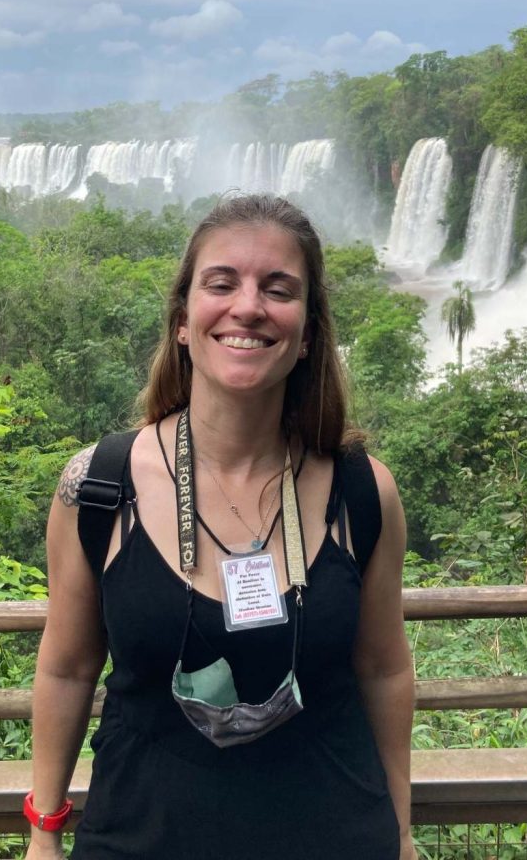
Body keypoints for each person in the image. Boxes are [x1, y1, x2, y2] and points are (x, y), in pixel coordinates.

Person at [24, 194, 418, 860]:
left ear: (308, 335)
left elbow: (382, 670)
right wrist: (43, 831)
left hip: (335, 838)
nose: (247, 307)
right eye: (221, 283)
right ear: (182, 321)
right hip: (140, 839)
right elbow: (66, 669)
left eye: (278, 289)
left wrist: (401, 833)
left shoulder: (361, 490)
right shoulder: (96, 488)